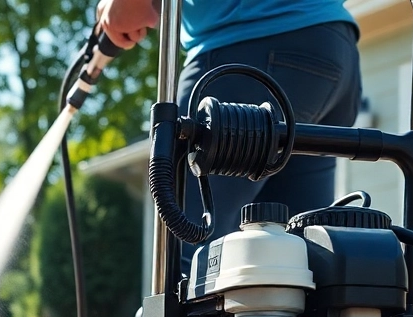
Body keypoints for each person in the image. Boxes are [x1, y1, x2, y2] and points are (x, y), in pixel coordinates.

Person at [98, 0, 362, 263]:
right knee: (295, 261)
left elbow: (133, 11)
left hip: (245, 47)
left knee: (186, 252)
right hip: (331, 48)